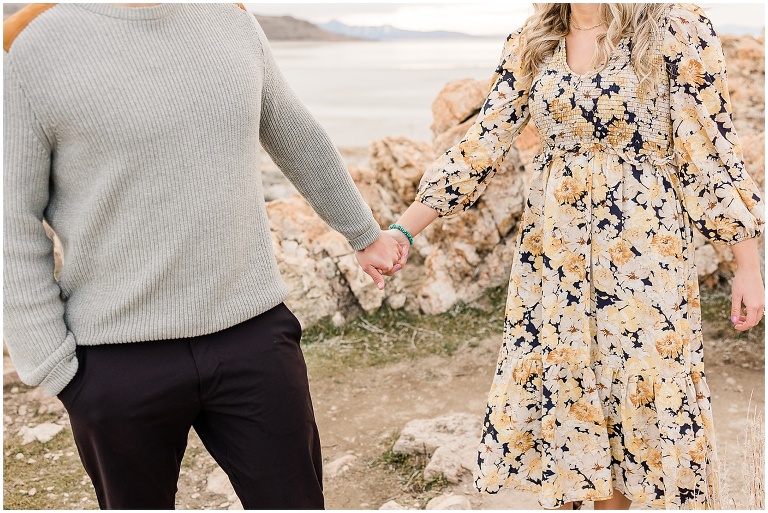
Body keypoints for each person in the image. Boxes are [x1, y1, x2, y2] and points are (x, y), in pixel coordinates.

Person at [4, 3, 405, 509]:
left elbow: (294, 132)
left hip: (254, 337)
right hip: (114, 359)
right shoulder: (32, 46)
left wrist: (364, 233)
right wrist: (52, 364)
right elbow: (11, 221)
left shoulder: (231, 19)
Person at [385, 3, 764, 510]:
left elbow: (709, 152)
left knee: (642, 415)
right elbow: (481, 145)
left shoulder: (675, 26)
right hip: (554, 263)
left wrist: (746, 265)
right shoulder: (534, 37)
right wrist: (401, 232)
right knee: (567, 422)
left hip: (644, 264)